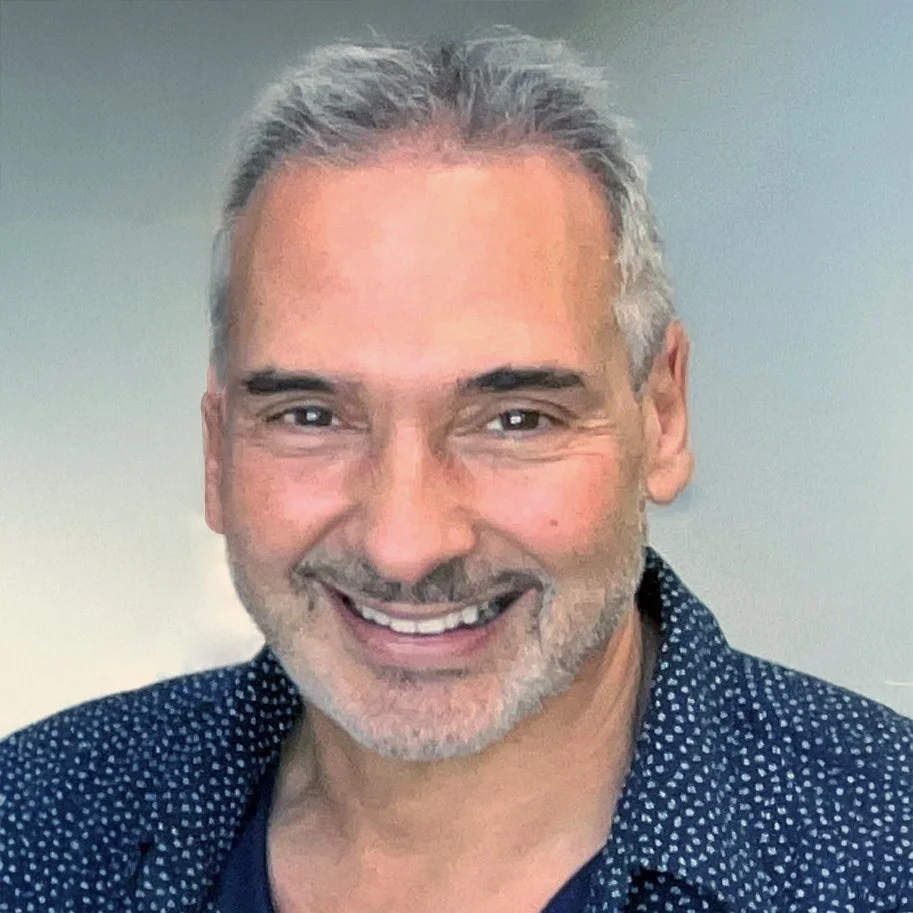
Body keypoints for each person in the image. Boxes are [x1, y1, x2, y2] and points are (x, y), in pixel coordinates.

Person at [1, 27, 910, 913]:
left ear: (661, 417)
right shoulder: (36, 822)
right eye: (311, 417)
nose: (403, 545)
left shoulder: (881, 850)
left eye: (515, 419)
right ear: (217, 450)